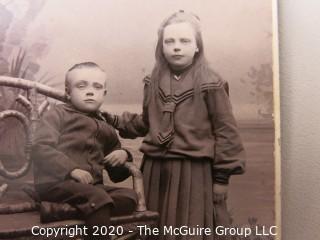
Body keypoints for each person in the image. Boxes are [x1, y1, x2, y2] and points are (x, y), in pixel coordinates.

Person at [105, 11, 246, 240]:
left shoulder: (211, 83)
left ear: (197, 46)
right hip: (155, 170)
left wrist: (222, 178)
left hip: (193, 170)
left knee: (190, 229)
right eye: (169, 41)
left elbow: (226, 132)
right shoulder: (153, 81)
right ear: (161, 46)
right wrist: (114, 120)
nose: (176, 47)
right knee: (155, 229)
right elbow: (147, 123)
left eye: (184, 41)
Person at [31, 62, 137, 240]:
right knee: (98, 198)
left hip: (90, 190)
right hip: (56, 184)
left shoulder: (106, 127)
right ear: (68, 92)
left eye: (97, 87)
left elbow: (116, 175)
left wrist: (124, 154)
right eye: (81, 86)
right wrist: (71, 169)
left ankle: (57, 211)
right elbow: (41, 147)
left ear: (104, 94)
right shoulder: (57, 114)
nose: (90, 91)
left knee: (129, 197)